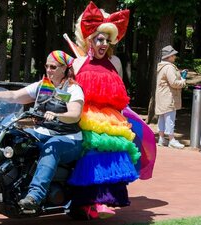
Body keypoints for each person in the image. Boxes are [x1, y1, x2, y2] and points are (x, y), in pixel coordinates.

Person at [67, 1, 140, 219]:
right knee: (91, 154)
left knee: (113, 154)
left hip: (110, 117)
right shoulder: (78, 63)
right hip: (86, 116)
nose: (103, 44)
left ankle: (103, 199)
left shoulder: (115, 62)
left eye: (107, 41)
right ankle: (87, 201)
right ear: (89, 39)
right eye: (99, 39)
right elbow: (70, 91)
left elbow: (120, 93)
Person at [0, 50, 84, 210]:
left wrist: (58, 115)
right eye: (47, 66)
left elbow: (75, 114)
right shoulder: (43, 85)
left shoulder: (73, 89)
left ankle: (35, 196)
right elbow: (15, 96)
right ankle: (2, 184)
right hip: (41, 131)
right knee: (12, 137)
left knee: (52, 147)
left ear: (64, 68)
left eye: (53, 67)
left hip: (69, 138)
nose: (48, 70)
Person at [155, 45, 186, 149]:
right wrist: (183, 82)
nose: (175, 57)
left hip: (162, 96)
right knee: (170, 118)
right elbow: (173, 83)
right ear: (169, 57)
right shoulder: (169, 67)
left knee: (162, 118)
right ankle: (171, 139)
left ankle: (161, 138)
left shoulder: (162, 66)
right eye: (173, 55)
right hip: (169, 96)